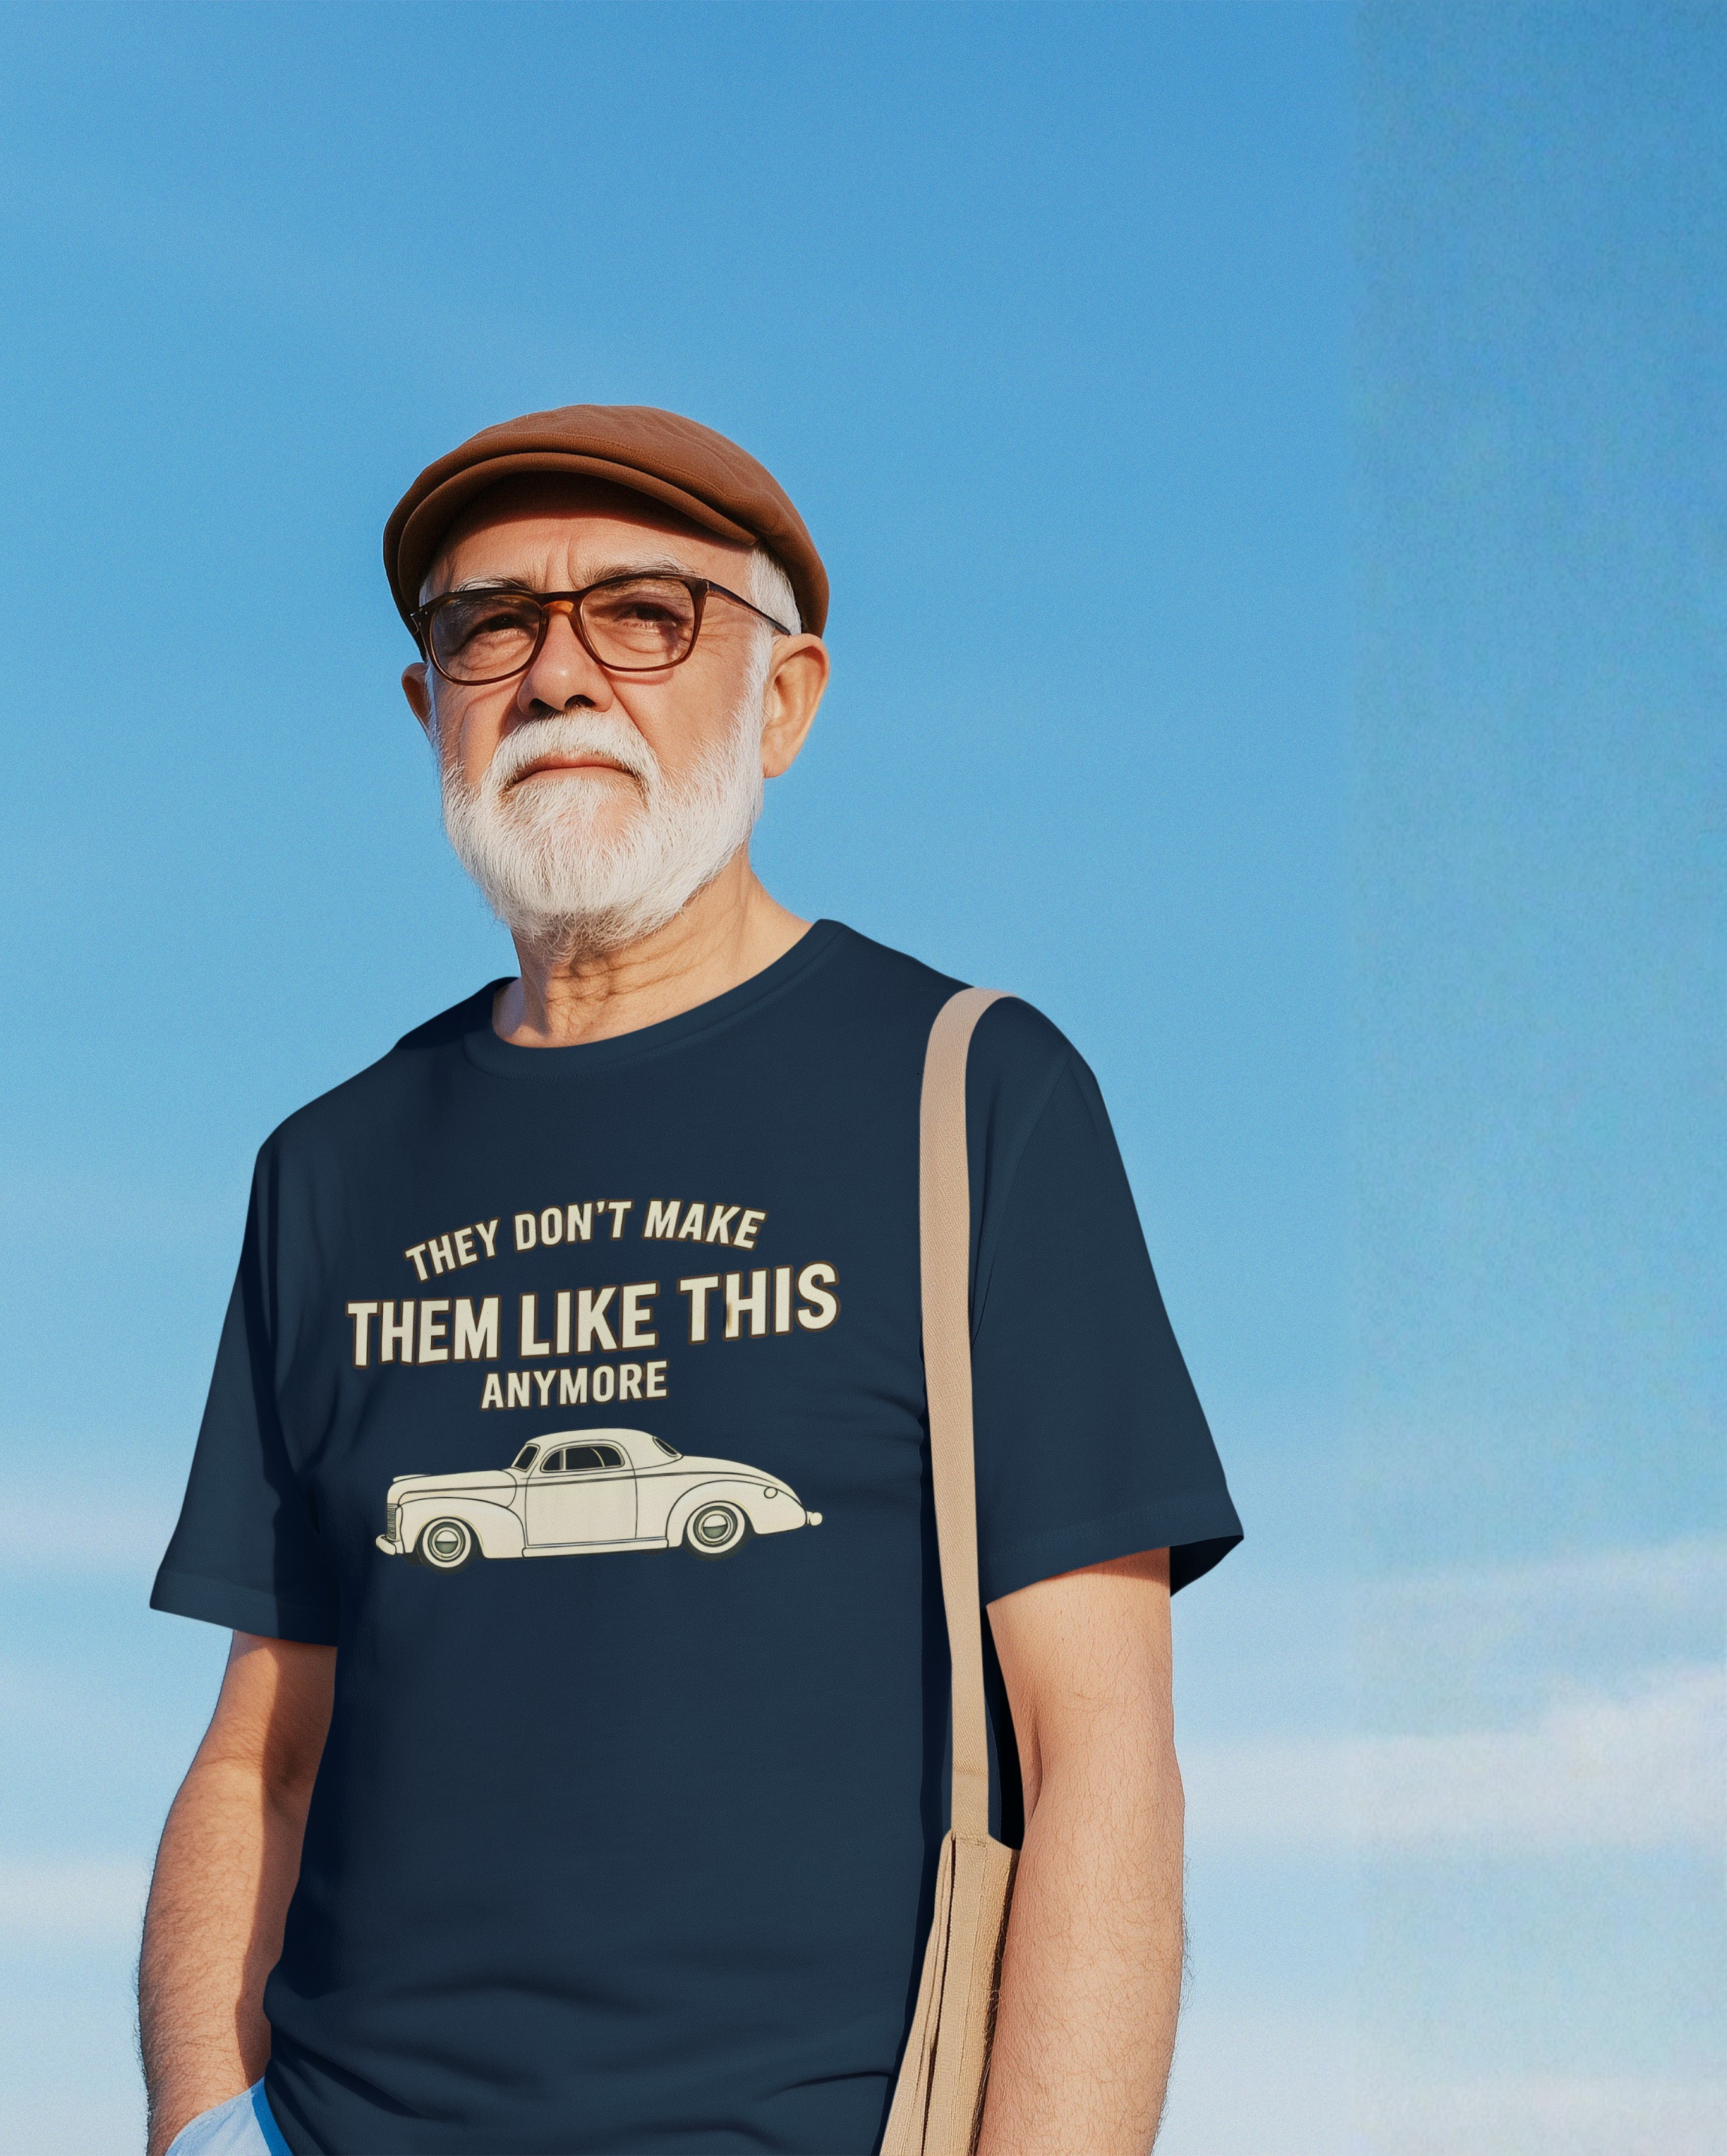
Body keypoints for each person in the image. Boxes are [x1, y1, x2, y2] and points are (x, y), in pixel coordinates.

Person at [137, 404, 1241, 2156]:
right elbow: (257, 1757)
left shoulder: (974, 1096)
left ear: (784, 701)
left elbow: (1102, 1755)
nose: (559, 675)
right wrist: (204, 2129)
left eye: (644, 613)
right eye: (490, 623)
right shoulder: (327, 1172)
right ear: (430, 710)